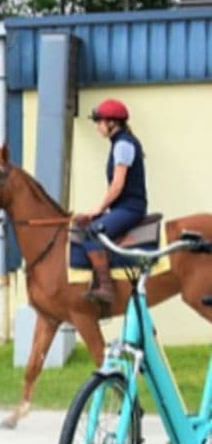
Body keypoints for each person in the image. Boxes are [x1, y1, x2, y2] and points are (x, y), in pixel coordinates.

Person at [74, 99, 147, 305]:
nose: (98, 126)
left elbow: (117, 185)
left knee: (92, 233)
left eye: (100, 122)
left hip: (131, 208)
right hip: (123, 207)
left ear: (113, 123)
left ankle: (106, 288)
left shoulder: (123, 145)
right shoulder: (120, 143)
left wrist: (98, 209)